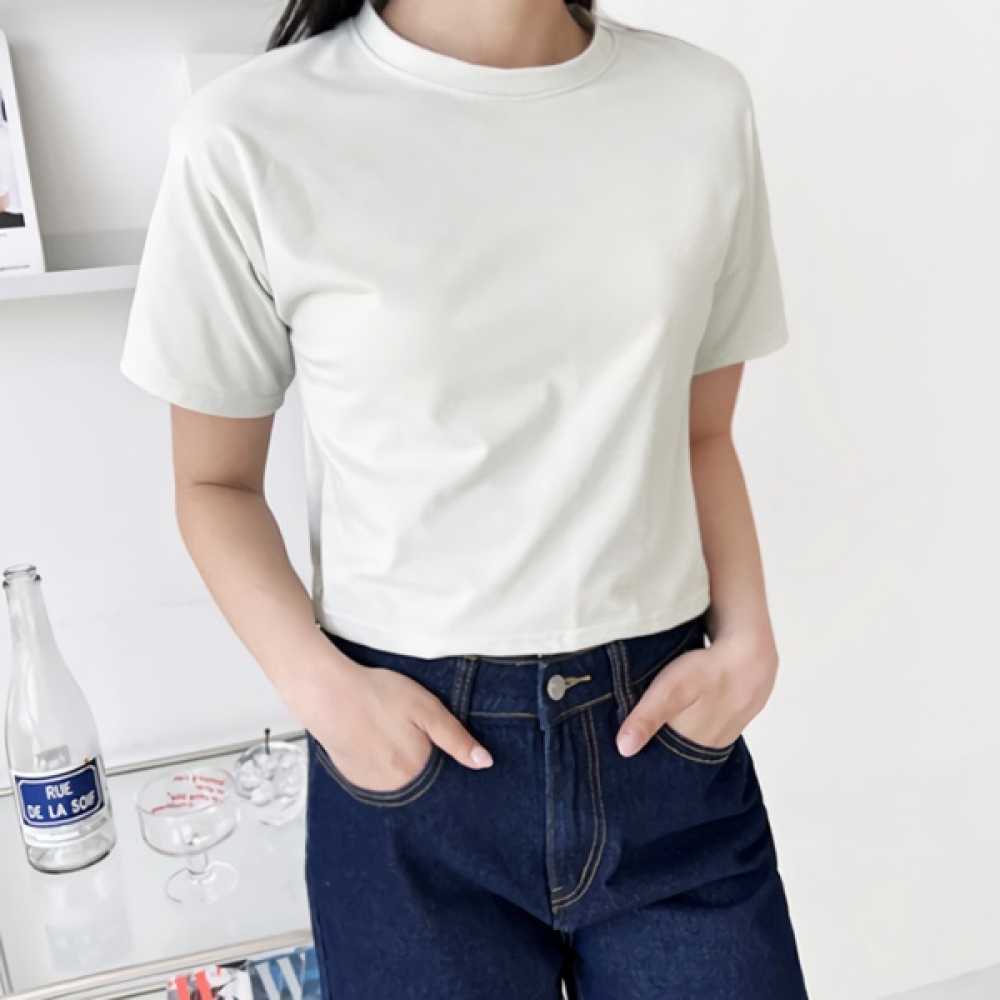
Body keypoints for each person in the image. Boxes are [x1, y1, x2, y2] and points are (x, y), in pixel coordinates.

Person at [119, 0, 809, 996]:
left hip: (666, 742)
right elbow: (211, 483)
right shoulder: (247, 131)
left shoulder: (698, 105)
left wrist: (748, 642)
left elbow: (700, 433)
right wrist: (327, 695)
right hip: (409, 767)